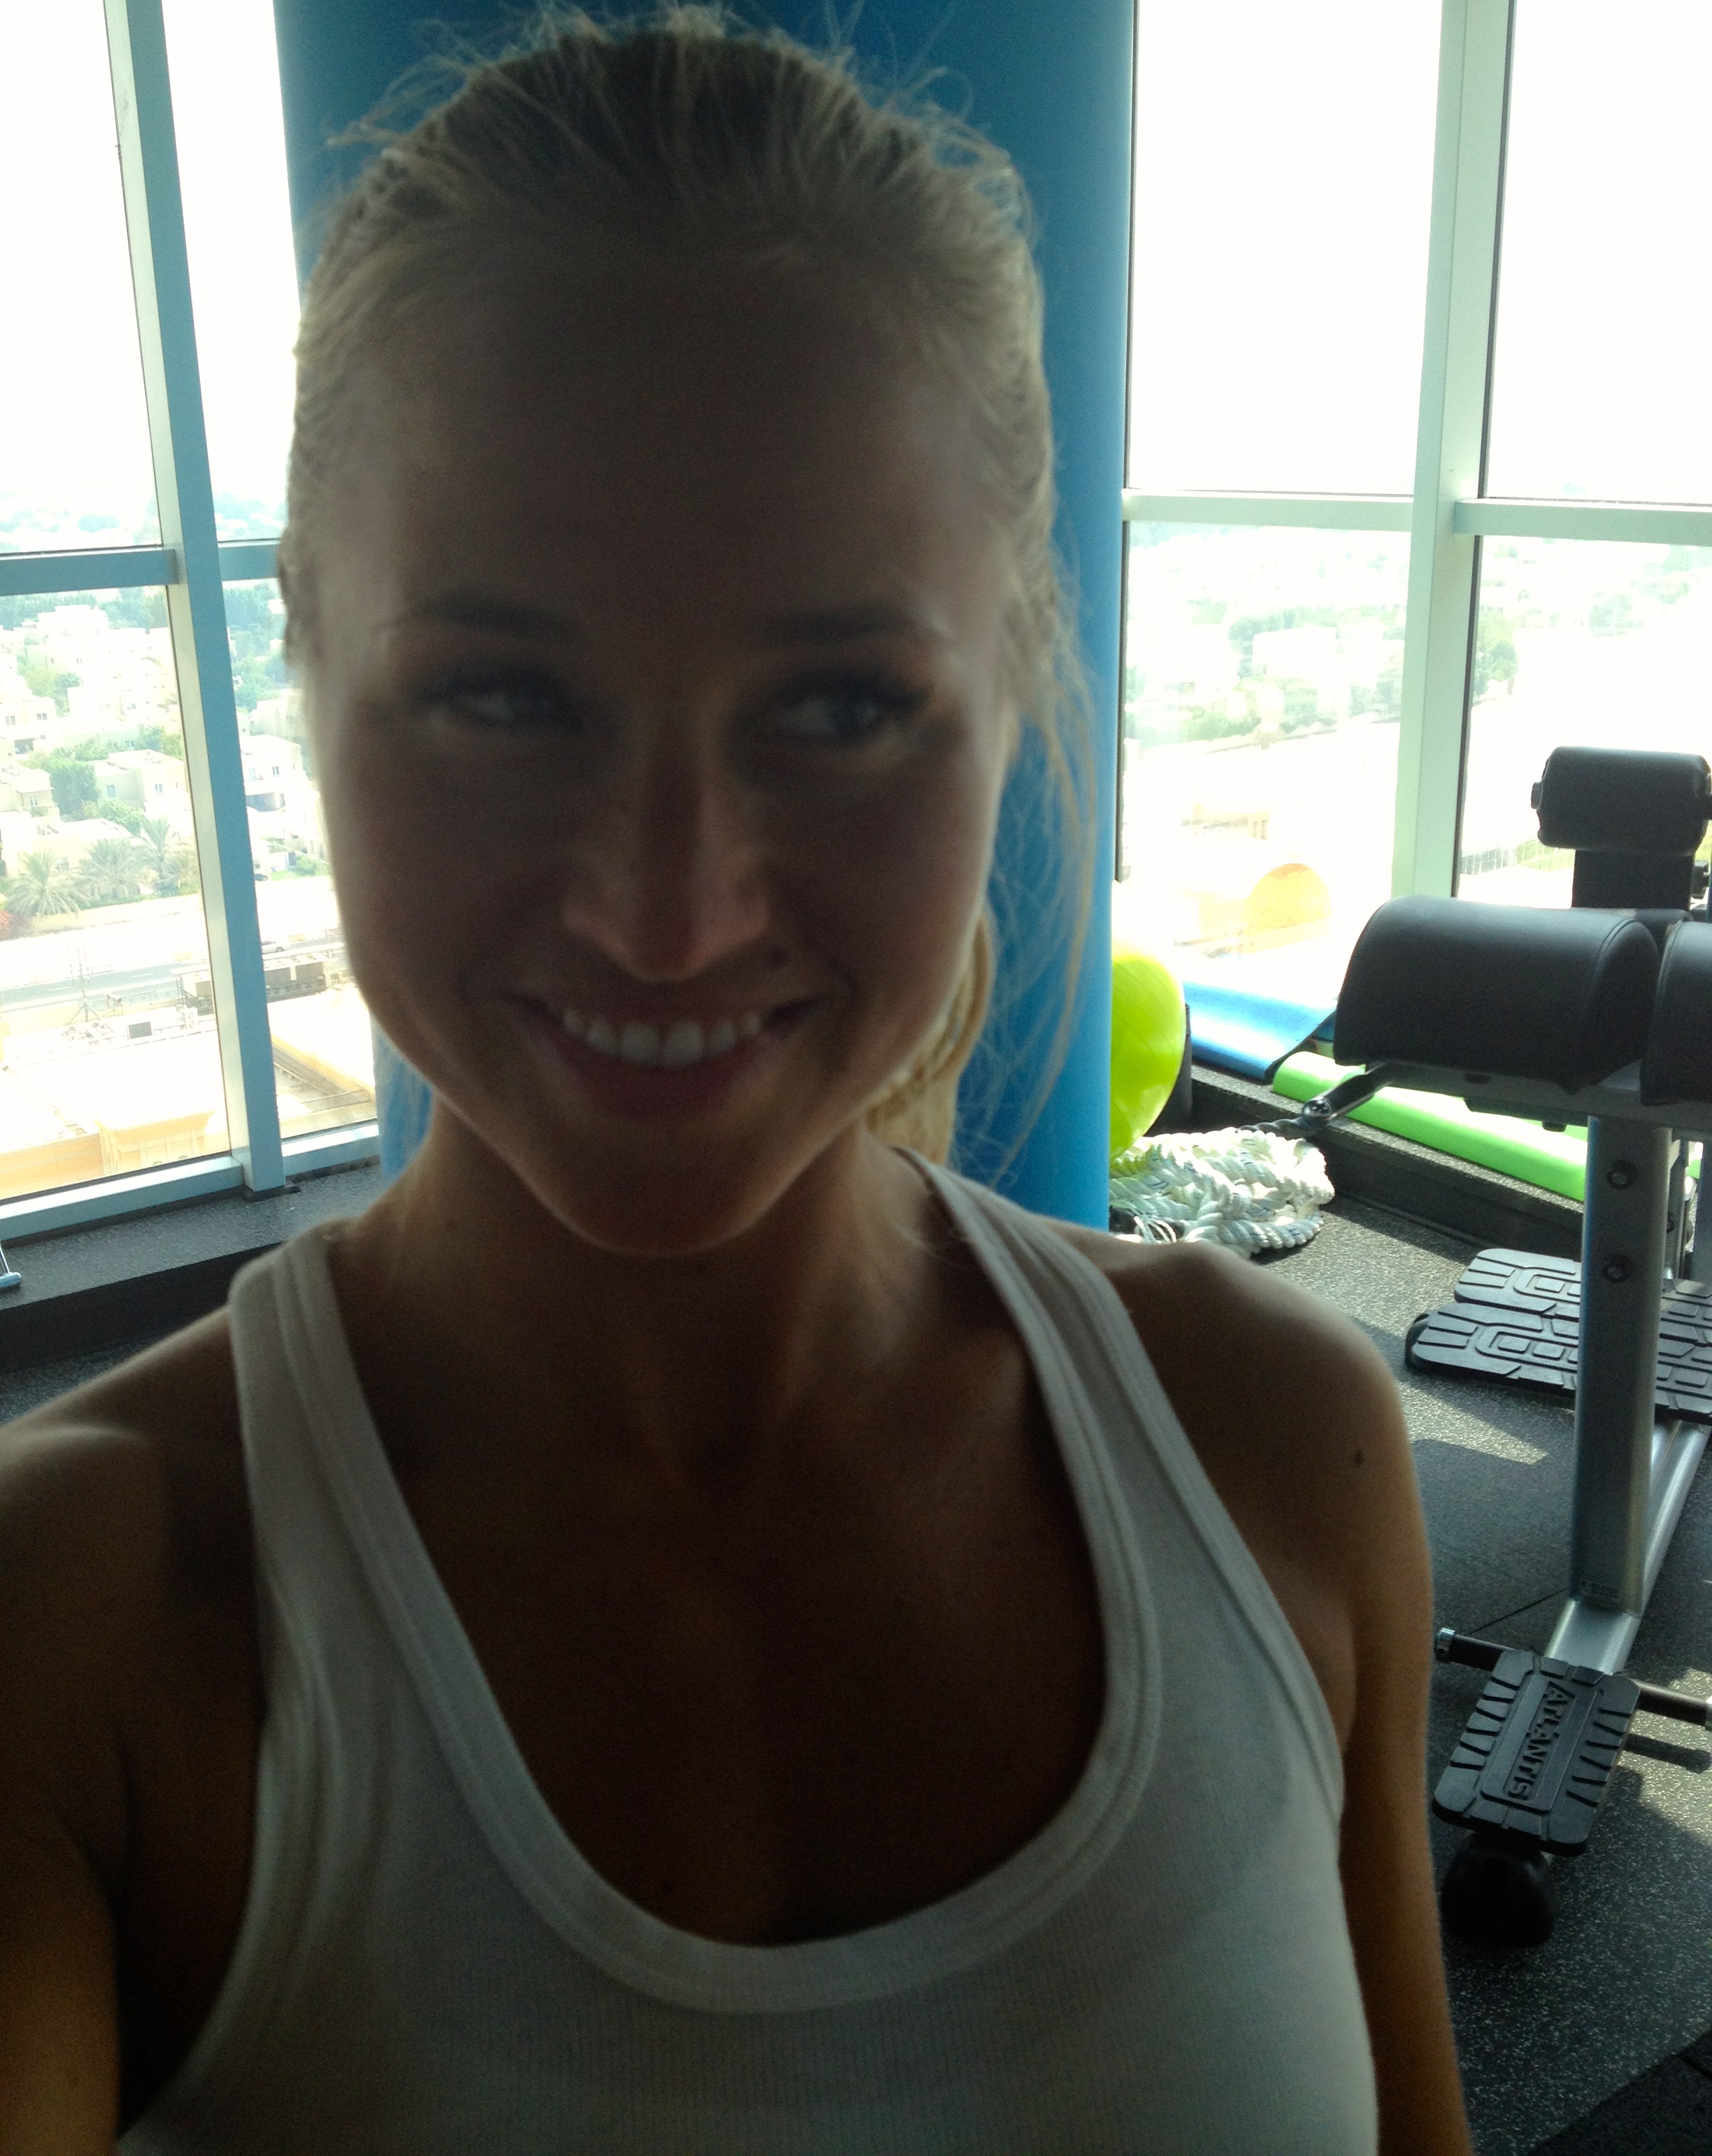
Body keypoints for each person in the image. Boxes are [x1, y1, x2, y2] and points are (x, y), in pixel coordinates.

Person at [0, 10, 1473, 2150]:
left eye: (841, 705)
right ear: (303, 656)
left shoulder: (1282, 1451)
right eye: (505, 694)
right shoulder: (79, 1620)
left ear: (1012, 688)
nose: (669, 911)